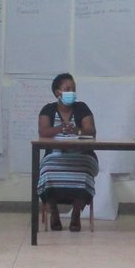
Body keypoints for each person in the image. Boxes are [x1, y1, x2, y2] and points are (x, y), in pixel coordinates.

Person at [37, 73, 99, 232]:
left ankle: (76, 215)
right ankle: (54, 213)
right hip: (55, 156)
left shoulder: (81, 107)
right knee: (46, 170)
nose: (72, 92)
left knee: (84, 170)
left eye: (74, 89)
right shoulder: (48, 109)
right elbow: (43, 132)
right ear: (58, 92)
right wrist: (60, 128)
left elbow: (91, 131)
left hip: (81, 155)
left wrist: (77, 130)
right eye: (68, 89)